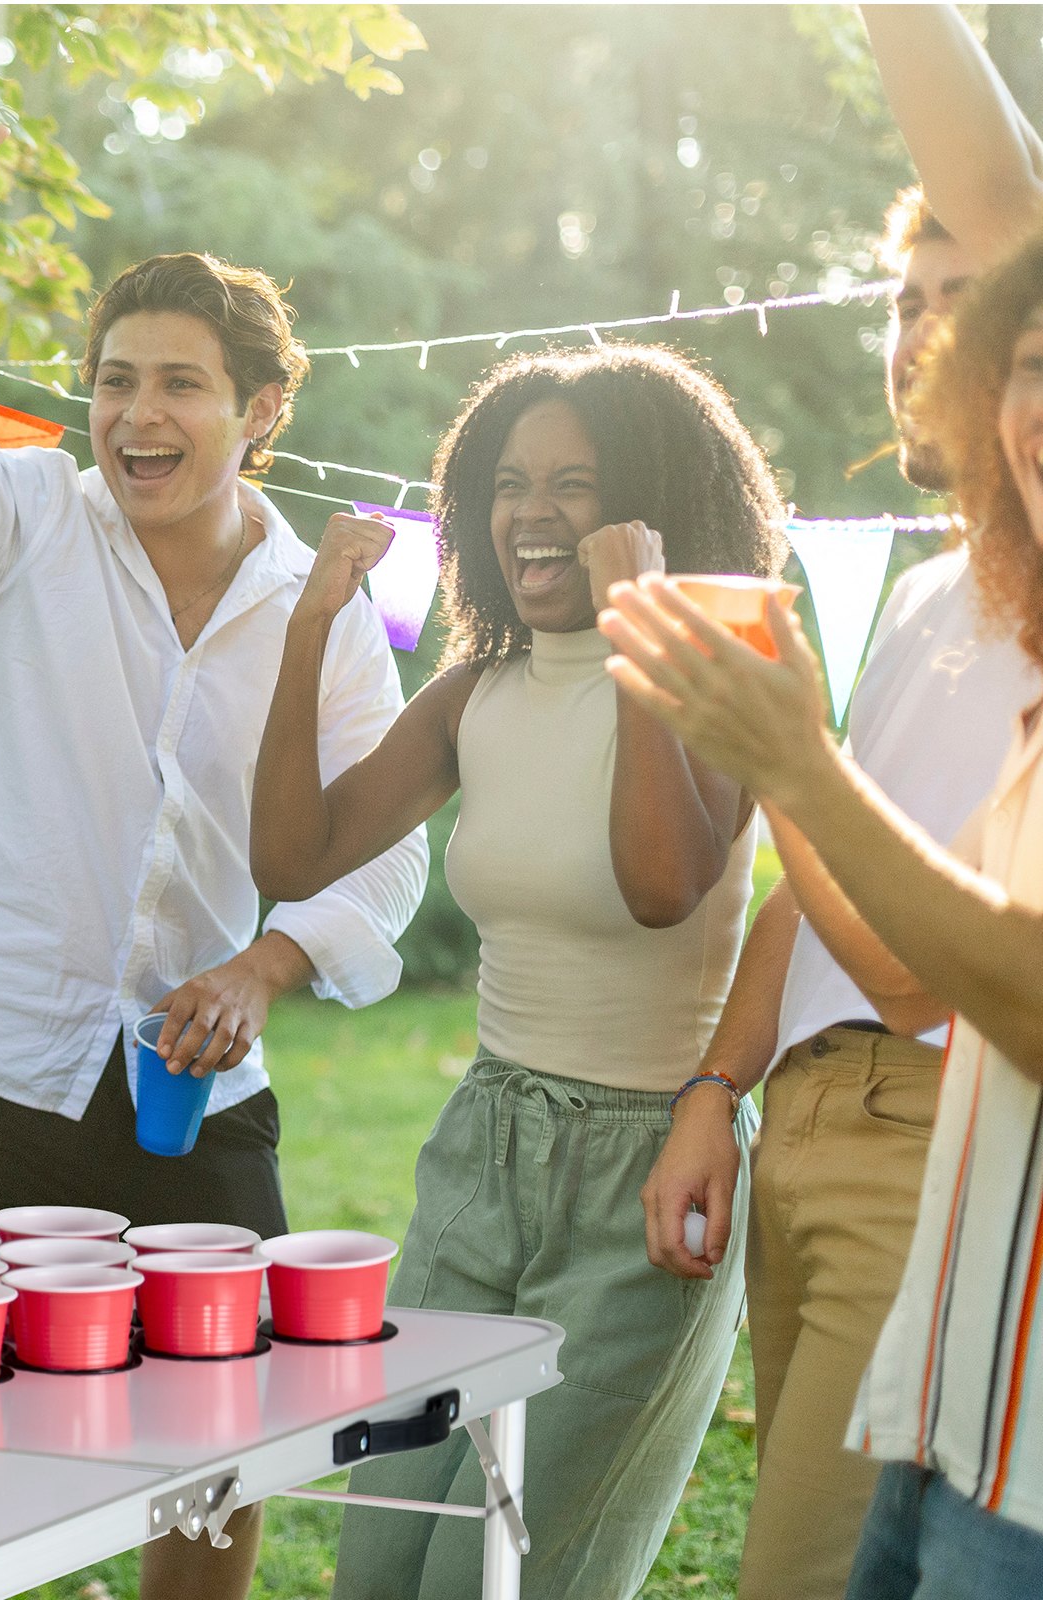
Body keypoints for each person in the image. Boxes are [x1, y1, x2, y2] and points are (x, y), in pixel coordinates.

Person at [0, 107, 426, 1599]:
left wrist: (269, 965)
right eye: (116, 381)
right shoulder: (16, 518)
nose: (138, 413)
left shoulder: (321, 606)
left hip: (195, 1102)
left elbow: (386, 855)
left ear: (262, 407)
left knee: (216, 1459)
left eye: (181, 385)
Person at [251, 341, 786, 1599]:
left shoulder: (721, 677)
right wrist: (310, 628)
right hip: (483, 1150)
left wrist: (644, 626)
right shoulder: (471, 691)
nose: (530, 514)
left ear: (656, 506)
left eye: (574, 483)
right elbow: (294, 854)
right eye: (506, 482)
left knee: (507, 1579)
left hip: (646, 1174)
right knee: (381, 1564)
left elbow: (664, 885)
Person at [639, 10, 1043, 1595]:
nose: (930, 341)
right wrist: (719, 1089)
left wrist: (780, 755)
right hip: (844, 1144)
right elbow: (813, 899)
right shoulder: (947, 592)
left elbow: (910, 962)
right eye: (912, 305)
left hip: (922, 1122)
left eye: (985, 311)